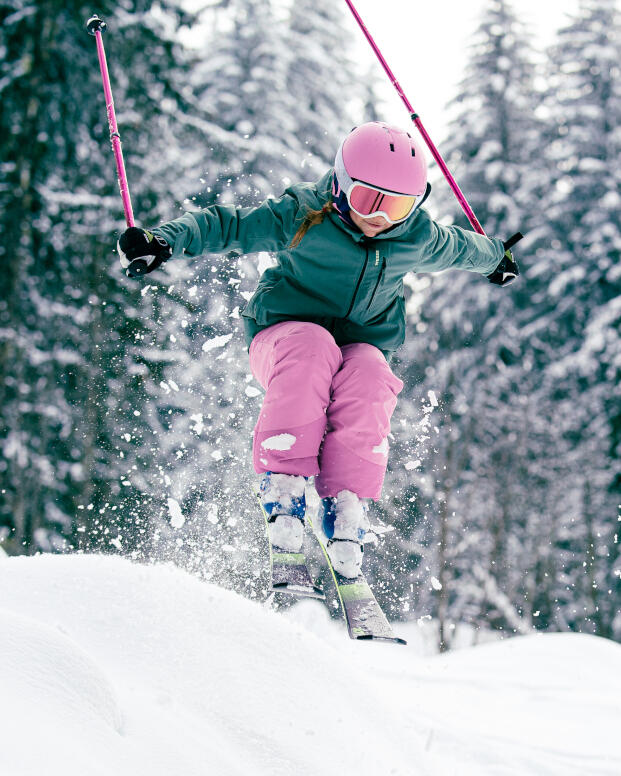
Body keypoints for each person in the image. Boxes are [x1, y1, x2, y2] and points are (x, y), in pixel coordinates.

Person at [117, 121, 519, 579]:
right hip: (285, 340)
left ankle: (346, 504)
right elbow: (227, 225)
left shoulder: (415, 237)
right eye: (370, 200)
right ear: (341, 184)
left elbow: (462, 247)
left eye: (400, 206)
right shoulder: (303, 215)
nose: (381, 218)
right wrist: (164, 240)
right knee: (313, 346)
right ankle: (286, 486)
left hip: (355, 350)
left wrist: (496, 258)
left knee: (372, 372)